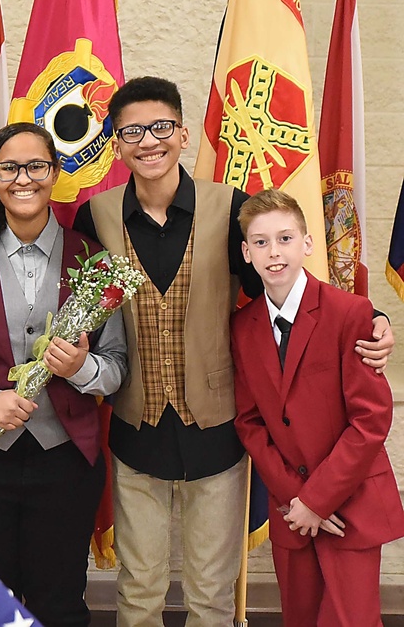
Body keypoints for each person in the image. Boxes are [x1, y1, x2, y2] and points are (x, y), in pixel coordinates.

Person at [72, 76, 395, 626]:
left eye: (160, 127)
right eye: (132, 131)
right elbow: (76, 306)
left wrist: (374, 317)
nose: (148, 141)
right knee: (139, 589)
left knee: (211, 593)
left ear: (181, 133)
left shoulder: (230, 210)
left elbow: (285, 285)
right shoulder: (94, 217)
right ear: (116, 142)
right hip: (134, 428)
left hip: (218, 428)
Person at [0, 122, 127, 626]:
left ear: (55, 173)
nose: (24, 178)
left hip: (65, 462)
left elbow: (117, 368)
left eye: (37, 165)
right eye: (9, 168)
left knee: (59, 603)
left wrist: (83, 368)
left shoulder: (92, 258)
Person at [232, 189, 404, 627]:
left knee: (351, 620)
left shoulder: (351, 313)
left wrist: (318, 500)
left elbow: (370, 420)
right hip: (292, 510)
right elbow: (251, 423)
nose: (275, 252)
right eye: (262, 242)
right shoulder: (243, 326)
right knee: (301, 618)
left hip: (352, 503)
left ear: (307, 244)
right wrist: (297, 500)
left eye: (286, 238)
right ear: (246, 252)